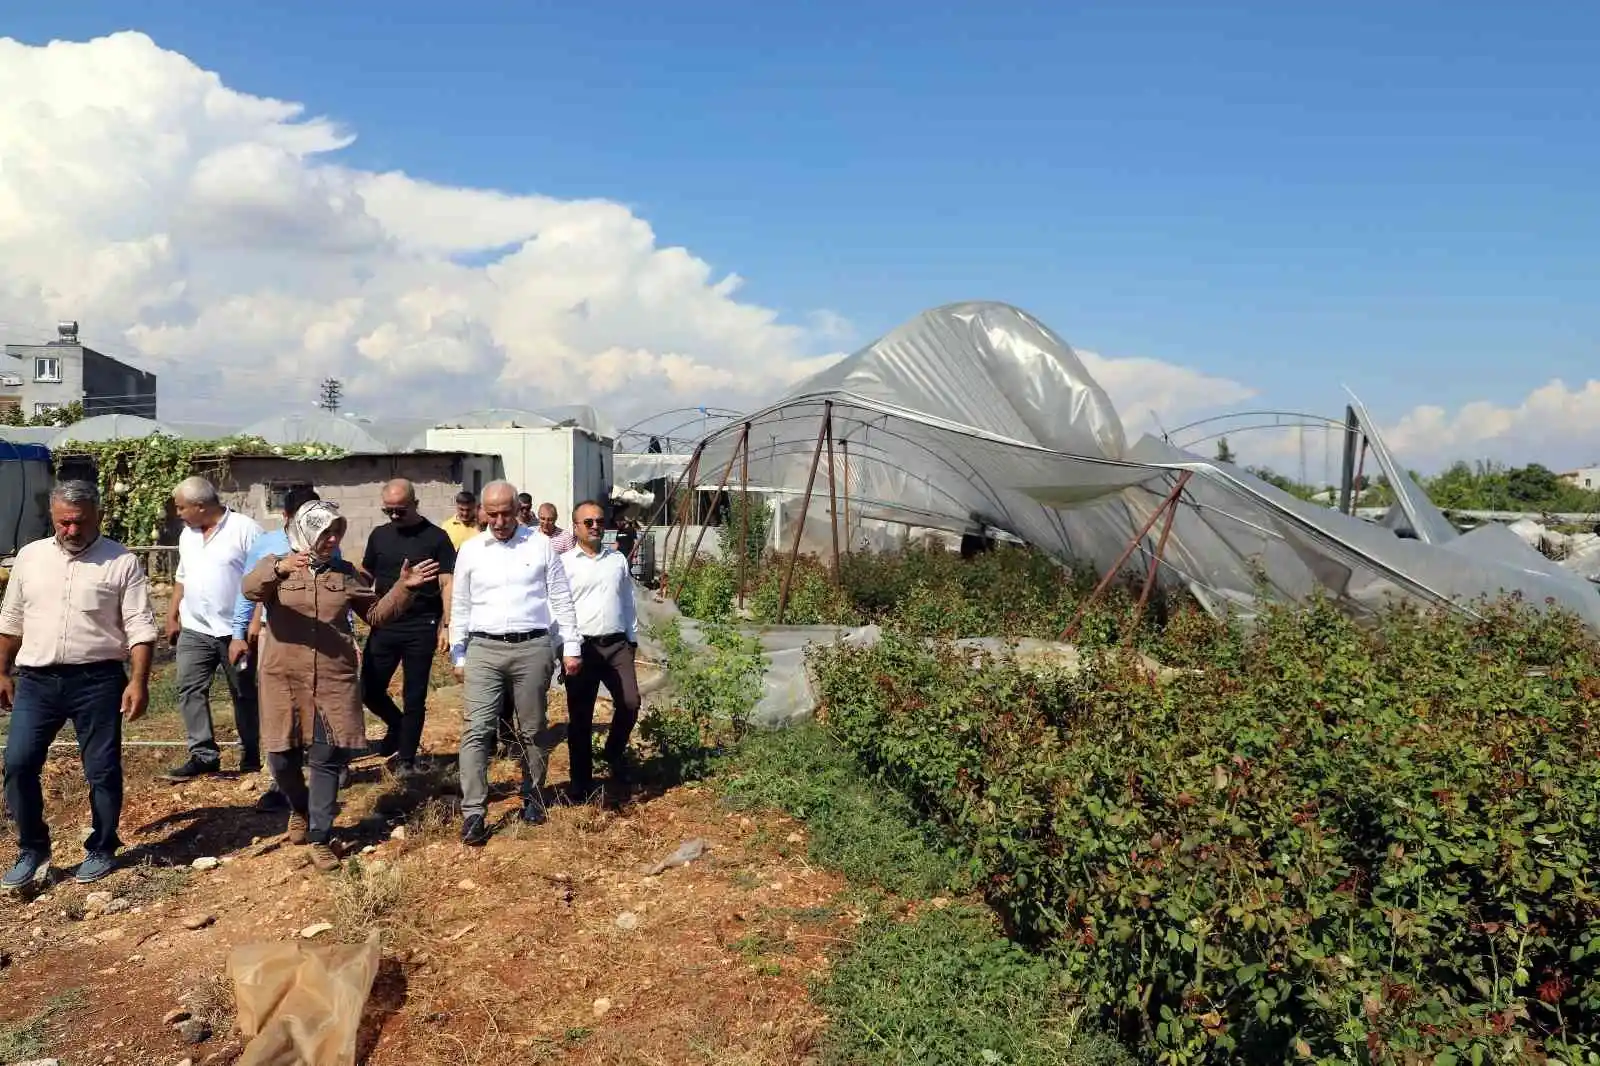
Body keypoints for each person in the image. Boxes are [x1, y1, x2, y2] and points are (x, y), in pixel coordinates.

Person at [243, 500, 438, 872]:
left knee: (327, 757)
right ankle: (299, 806)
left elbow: (378, 615)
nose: (333, 539)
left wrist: (404, 588)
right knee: (281, 758)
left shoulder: (345, 574)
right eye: (324, 532)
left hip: (333, 678)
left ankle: (319, 836)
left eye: (337, 532)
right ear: (305, 532)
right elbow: (250, 590)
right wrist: (278, 568)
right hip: (283, 678)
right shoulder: (278, 568)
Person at [0, 481, 157, 888]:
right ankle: (33, 849)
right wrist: (1, 671)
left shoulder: (121, 562)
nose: (71, 530)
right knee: (18, 764)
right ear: (52, 517)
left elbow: (141, 627)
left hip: (98, 681)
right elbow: (11, 620)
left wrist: (138, 682)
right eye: (63, 523)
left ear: (99, 517)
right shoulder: (30, 558)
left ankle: (102, 846)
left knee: (102, 771)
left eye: (79, 522)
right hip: (36, 681)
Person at [449, 481, 580, 845]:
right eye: (492, 514)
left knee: (533, 728)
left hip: (532, 647)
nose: (500, 520)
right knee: (477, 730)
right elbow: (461, 603)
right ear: (482, 513)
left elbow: (561, 597)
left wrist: (571, 645)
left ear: (517, 510)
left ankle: (533, 795)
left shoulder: (539, 546)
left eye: (506, 512)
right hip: (483, 649)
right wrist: (457, 651)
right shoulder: (472, 551)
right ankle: (474, 811)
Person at [163, 476, 263, 782]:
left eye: (181, 507)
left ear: (200, 506)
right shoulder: (187, 534)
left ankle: (252, 752)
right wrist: (172, 613)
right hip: (195, 626)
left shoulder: (246, 530)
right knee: (189, 687)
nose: (177, 513)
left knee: (243, 691)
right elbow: (183, 576)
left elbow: (264, 579)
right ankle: (203, 755)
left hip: (235, 629)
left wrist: (256, 622)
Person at [361, 479, 456, 772]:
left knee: (414, 695)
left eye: (400, 510)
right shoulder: (379, 535)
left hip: (421, 624)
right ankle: (398, 725)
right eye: (387, 510)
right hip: (385, 623)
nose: (393, 516)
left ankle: (406, 758)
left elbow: (447, 582)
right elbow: (367, 573)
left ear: (415, 504)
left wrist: (447, 624)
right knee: (369, 690)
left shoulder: (436, 537)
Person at [559, 500, 641, 807]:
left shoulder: (617, 559)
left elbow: (627, 599)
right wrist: (565, 648)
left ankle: (613, 753)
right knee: (581, 716)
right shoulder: (564, 563)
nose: (595, 526)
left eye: (599, 521)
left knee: (630, 703)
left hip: (618, 643)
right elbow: (558, 608)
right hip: (582, 648)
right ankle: (581, 782)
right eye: (588, 522)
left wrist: (632, 638)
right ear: (576, 526)